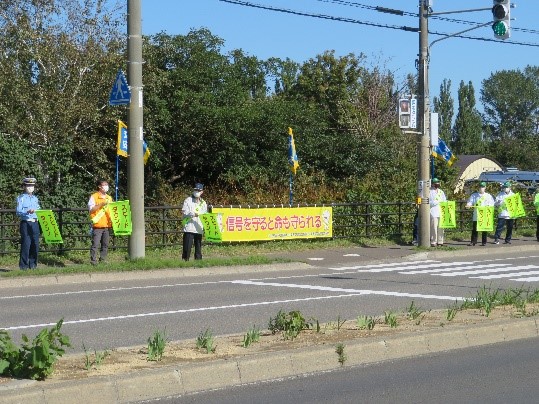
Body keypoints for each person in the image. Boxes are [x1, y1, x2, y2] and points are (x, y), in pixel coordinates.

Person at [16, 177, 41, 270]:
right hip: (26, 223)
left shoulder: (35, 198)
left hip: (35, 223)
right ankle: (23, 266)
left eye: (32, 185)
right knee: (26, 244)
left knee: (35, 244)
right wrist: (27, 211)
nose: (30, 187)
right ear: (25, 186)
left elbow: (38, 209)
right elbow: (18, 211)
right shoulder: (21, 198)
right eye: (28, 185)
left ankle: (33, 265)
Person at [88, 180, 113, 265]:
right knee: (95, 244)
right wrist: (100, 205)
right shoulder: (94, 197)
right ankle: (93, 261)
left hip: (107, 225)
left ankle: (102, 259)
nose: (106, 186)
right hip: (97, 225)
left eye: (107, 184)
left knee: (105, 244)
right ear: (99, 186)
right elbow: (91, 210)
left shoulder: (109, 198)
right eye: (104, 185)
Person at [182, 183, 208, 261]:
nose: (197, 191)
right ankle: (185, 260)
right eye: (196, 190)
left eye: (199, 190)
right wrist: (192, 214)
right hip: (189, 226)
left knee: (198, 246)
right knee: (187, 246)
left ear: (202, 192)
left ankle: (198, 260)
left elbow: (205, 214)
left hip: (199, 227)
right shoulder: (188, 200)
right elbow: (184, 212)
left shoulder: (203, 203)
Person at [465, 181, 494, 246]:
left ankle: (484, 242)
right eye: (480, 187)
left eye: (483, 187)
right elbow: (470, 202)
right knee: (475, 229)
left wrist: (488, 207)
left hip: (485, 215)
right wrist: (468, 205)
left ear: (485, 187)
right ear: (478, 187)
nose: (481, 188)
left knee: (484, 229)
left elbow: (492, 204)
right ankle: (473, 241)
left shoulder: (488, 196)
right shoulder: (474, 195)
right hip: (476, 215)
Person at [429, 177, 446, 247]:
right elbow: (428, 202)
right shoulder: (429, 191)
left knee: (441, 227)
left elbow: (444, 200)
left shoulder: (441, 192)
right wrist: (437, 202)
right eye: (436, 183)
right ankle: (433, 241)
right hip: (433, 211)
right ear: (432, 184)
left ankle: (440, 241)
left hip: (441, 211)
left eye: (438, 183)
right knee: (434, 227)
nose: (437, 184)